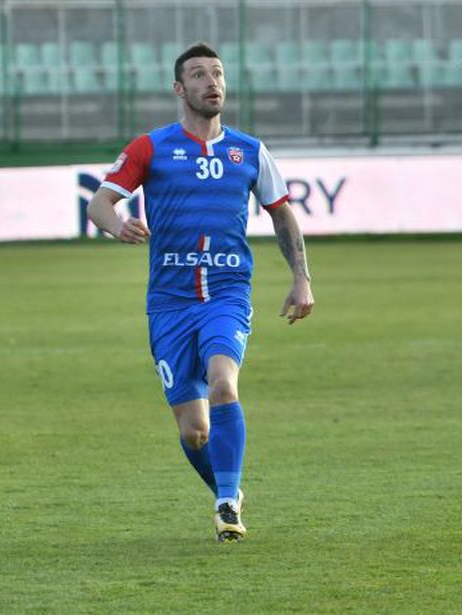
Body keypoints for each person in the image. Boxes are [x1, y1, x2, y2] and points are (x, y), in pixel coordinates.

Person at [87, 42, 314, 541]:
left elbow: (282, 213)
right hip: (169, 304)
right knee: (194, 431)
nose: (211, 82)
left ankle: (229, 502)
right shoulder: (151, 147)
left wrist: (302, 279)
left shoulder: (250, 151)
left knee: (223, 383)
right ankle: (225, 488)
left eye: (217, 73)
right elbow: (100, 202)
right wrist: (116, 224)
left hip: (227, 294)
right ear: (179, 88)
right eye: (198, 74)